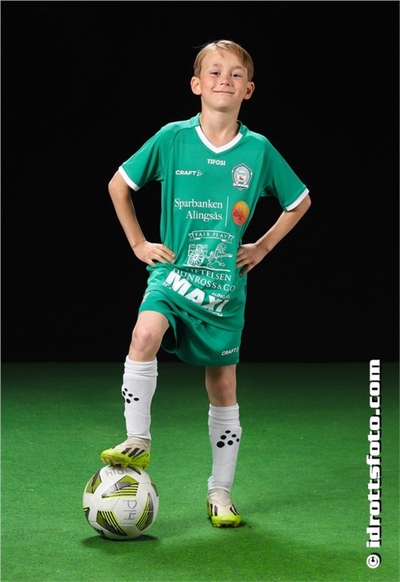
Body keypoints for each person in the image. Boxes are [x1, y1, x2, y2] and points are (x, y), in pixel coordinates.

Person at [101, 39, 311, 527]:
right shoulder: (172, 138)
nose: (224, 80)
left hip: (222, 292)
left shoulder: (258, 150)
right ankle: (138, 440)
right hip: (172, 276)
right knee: (144, 334)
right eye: (214, 72)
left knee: (222, 386)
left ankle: (220, 493)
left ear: (248, 89)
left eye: (236, 74)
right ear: (196, 84)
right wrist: (138, 244)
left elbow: (299, 201)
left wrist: (262, 247)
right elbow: (118, 185)